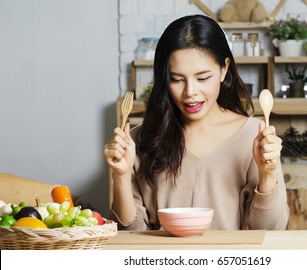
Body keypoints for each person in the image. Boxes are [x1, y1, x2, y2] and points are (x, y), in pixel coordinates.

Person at [104, 14, 289, 230]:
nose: (190, 92)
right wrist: (121, 176)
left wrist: (267, 173)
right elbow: (128, 234)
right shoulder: (138, 140)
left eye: (202, 78)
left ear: (224, 69)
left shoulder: (254, 136)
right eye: (177, 79)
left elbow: (270, 231)